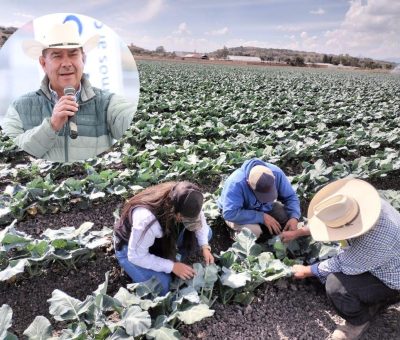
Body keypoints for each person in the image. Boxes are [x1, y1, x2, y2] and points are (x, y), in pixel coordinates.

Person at [2, 21, 134, 162]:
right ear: (43, 63)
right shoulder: (18, 107)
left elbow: (130, 121)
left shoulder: (109, 104)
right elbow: (12, 153)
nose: (66, 63)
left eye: (73, 54)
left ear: (83, 59)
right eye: (57, 56)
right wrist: (51, 126)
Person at [292, 178, 400, 340]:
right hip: (381, 260)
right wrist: (297, 232)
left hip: (392, 279)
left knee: (336, 286)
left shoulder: (378, 237)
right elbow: (327, 223)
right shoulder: (364, 205)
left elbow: (343, 262)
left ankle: (359, 321)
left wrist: (306, 271)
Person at [113, 181, 214, 295]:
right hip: (130, 248)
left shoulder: (187, 199)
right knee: (162, 287)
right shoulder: (146, 220)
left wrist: (205, 246)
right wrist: (172, 266)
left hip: (160, 238)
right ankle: (136, 271)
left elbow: (201, 223)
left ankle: (170, 258)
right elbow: (136, 256)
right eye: (185, 219)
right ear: (175, 212)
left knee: (207, 234)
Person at [218, 158, 301, 239]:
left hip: (264, 207)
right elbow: (229, 213)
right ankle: (235, 233)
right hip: (238, 213)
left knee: (286, 216)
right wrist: (262, 217)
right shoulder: (236, 183)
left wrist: (294, 217)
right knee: (253, 231)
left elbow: (291, 197)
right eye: (262, 194)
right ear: (248, 183)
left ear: (274, 178)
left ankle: (267, 229)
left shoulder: (277, 173)